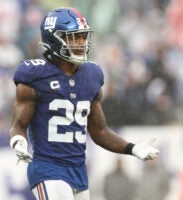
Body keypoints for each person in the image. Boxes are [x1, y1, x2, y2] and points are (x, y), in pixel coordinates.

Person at [9, 7, 159, 200]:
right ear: (54, 39)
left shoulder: (92, 74)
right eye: (74, 37)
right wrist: (18, 141)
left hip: (78, 171)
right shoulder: (34, 75)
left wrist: (132, 148)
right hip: (48, 168)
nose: (81, 43)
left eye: (83, 37)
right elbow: (18, 125)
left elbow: (99, 131)